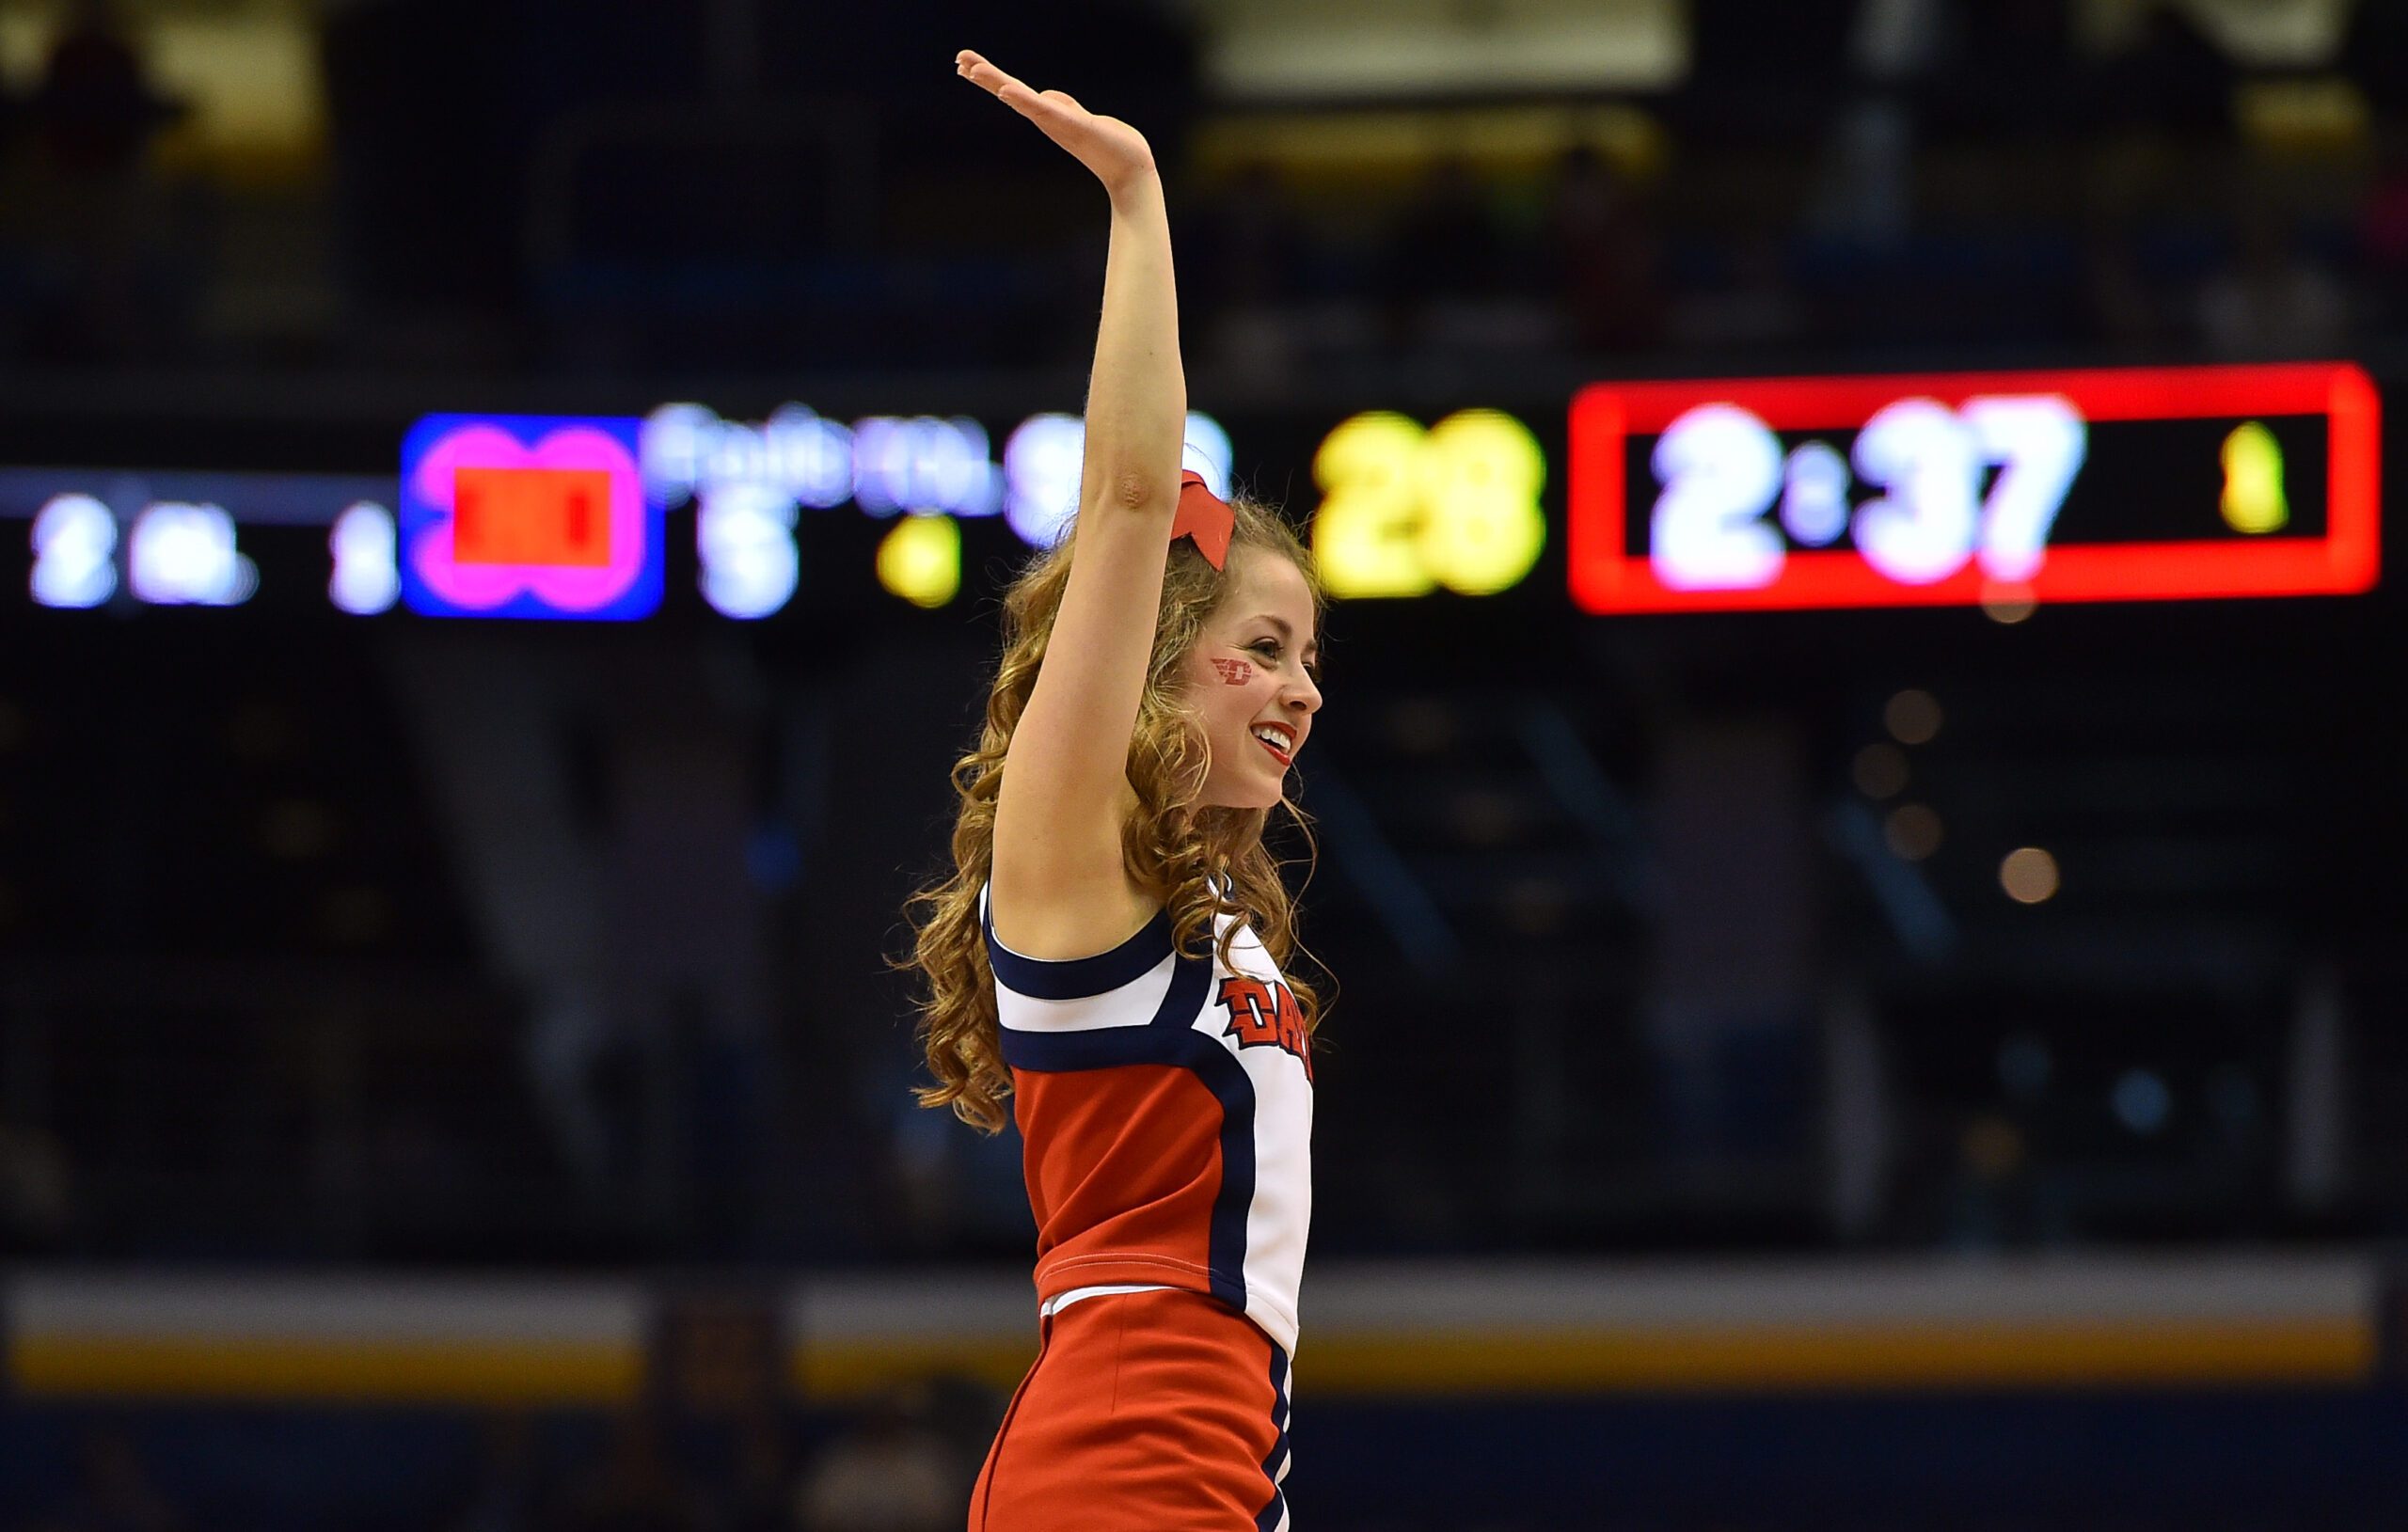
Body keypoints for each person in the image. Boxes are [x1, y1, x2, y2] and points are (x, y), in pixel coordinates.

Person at [899, 50, 1327, 1532]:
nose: (1301, 687)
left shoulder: (1209, 911)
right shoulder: (1070, 852)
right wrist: (1139, 197)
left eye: (1309, 658)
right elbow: (1137, 497)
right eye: (1260, 648)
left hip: (1216, 1468)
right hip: (1115, 1475)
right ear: (1156, 663)